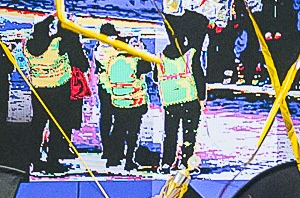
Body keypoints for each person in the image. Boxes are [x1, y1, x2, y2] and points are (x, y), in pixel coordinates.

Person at [20, 15, 89, 173]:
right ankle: (53, 161)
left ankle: (35, 160)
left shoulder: (28, 45)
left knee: (37, 125)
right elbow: (82, 64)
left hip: (38, 90)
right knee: (56, 127)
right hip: (59, 90)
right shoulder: (59, 44)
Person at [96, 23, 150, 169]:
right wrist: (140, 52)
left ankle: (112, 156)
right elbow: (148, 66)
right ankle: (129, 160)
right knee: (132, 132)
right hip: (134, 102)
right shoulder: (133, 62)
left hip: (117, 99)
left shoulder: (109, 59)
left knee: (116, 128)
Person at [158, 21, 203, 168]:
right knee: (189, 132)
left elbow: (155, 76)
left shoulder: (161, 58)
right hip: (189, 98)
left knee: (170, 133)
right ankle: (185, 161)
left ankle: (166, 162)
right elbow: (198, 75)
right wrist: (202, 96)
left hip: (170, 100)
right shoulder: (190, 55)